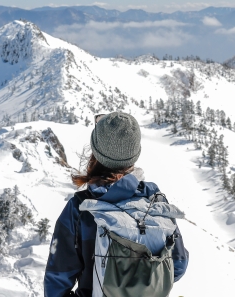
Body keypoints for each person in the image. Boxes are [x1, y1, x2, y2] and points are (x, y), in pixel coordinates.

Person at [44, 112, 188, 297]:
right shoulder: (154, 199)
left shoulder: (81, 208)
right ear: (135, 155)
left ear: (95, 151)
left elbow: (57, 280)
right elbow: (178, 265)